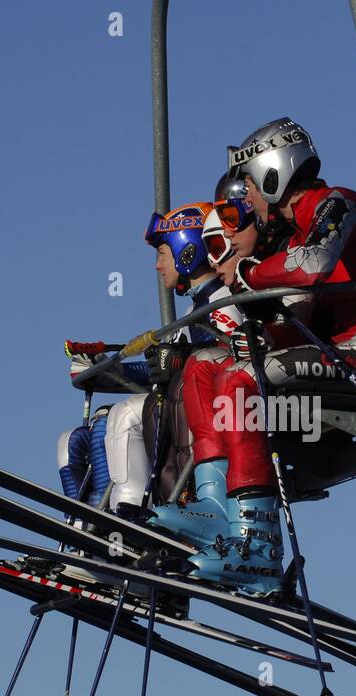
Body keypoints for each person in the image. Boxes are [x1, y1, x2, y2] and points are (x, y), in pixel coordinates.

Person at [159, 117, 356, 596]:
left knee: (241, 380)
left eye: (249, 186)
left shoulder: (336, 204)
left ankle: (260, 545)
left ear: (274, 173)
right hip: (335, 352)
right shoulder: (297, 231)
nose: (245, 199)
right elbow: (295, 295)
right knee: (203, 366)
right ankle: (216, 509)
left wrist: (250, 271)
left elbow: (313, 263)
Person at [57, 201, 242, 519]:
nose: (157, 266)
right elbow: (160, 369)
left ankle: (130, 513)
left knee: (125, 415)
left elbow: (228, 359)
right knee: (74, 438)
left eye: (162, 254)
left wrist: (177, 359)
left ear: (187, 251)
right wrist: (107, 371)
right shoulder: (195, 308)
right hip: (183, 405)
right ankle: (85, 526)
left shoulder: (221, 302)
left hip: (211, 415)